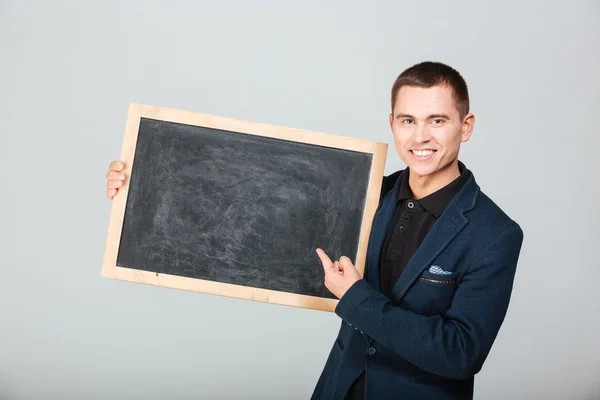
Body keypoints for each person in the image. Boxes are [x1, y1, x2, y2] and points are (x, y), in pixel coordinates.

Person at [105, 61, 524, 400]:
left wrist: (358, 298)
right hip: (338, 388)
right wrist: (142, 187)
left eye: (437, 120)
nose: (420, 136)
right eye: (407, 120)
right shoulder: (365, 194)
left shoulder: (494, 234)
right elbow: (254, 206)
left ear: (465, 126)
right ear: (392, 123)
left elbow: (460, 353)